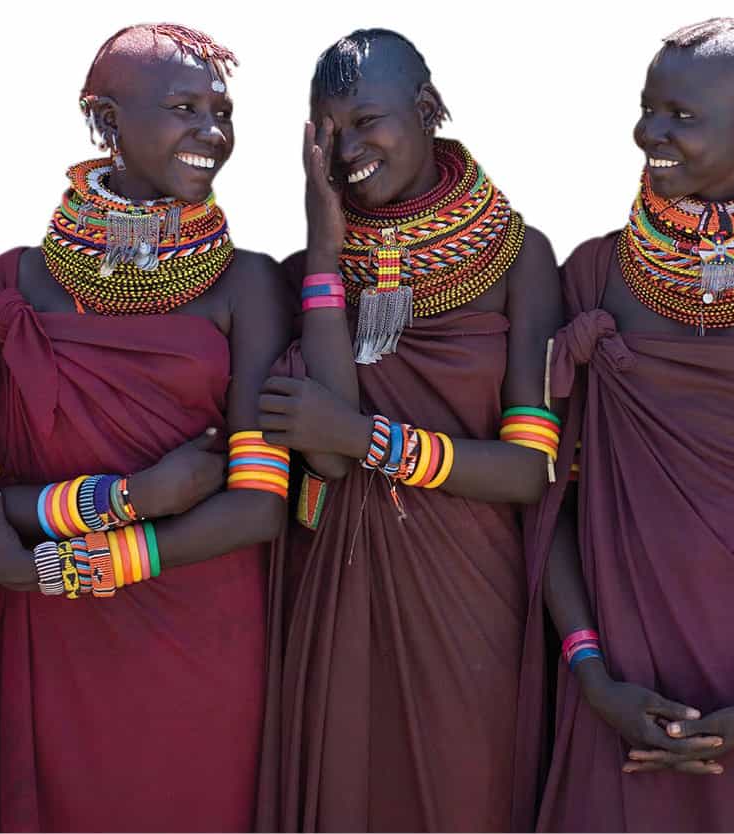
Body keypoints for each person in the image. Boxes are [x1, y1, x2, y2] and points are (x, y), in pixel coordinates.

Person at [0, 24, 290, 832]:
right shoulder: (11, 287)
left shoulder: (249, 284)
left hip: (206, 651)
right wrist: (132, 494)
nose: (213, 132)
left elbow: (259, 507)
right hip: (58, 652)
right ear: (103, 121)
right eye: (183, 107)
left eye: (222, 111)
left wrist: (55, 565)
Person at [521, 17, 734, 831]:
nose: (650, 133)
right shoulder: (594, 275)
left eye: (680, 115)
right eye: (646, 108)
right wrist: (593, 674)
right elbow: (548, 503)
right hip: (614, 676)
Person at [252, 29, 562, 832]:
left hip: (473, 605)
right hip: (338, 598)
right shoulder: (303, 274)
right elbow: (318, 451)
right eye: (330, 130)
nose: (350, 147)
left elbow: (526, 470)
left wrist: (368, 440)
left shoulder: (519, 257)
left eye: (367, 120)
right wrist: (325, 249)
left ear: (426, 110)